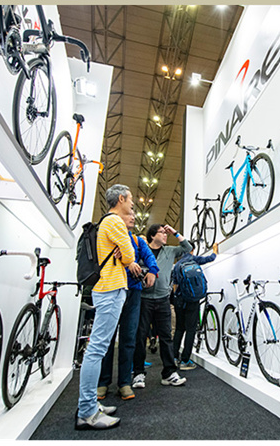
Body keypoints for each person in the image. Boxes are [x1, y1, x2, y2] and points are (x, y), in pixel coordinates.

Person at [75, 184, 135, 431]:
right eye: (130, 200)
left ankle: (90, 405)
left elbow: (125, 254)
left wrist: (123, 252)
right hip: (111, 289)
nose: (132, 204)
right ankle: (87, 412)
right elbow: (129, 257)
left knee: (96, 349)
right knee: (96, 350)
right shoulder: (115, 222)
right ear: (121, 199)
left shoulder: (105, 223)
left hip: (105, 289)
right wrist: (124, 253)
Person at [97, 211, 159, 401]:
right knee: (107, 339)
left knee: (129, 337)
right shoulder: (110, 235)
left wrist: (153, 271)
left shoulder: (138, 241)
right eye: (128, 214)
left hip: (133, 293)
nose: (133, 217)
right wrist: (127, 261)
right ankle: (102, 382)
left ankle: (124, 383)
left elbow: (150, 258)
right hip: (112, 290)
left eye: (133, 215)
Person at [131, 224, 192, 388]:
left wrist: (175, 232)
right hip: (143, 298)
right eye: (162, 233)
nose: (165, 235)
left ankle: (169, 373)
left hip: (163, 299)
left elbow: (188, 248)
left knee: (166, 337)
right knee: (140, 337)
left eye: (166, 233)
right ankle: (138, 374)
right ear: (152, 236)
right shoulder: (142, 251)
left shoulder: (170, 251)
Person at [171, 243, 218, 370]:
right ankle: (185, 360)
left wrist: (177, 298)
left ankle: (174, 358)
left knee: (179, 329)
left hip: (180, 300)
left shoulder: (177, 265)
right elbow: (210, 258)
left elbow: (175, 285)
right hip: (192, 300)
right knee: (191, 329)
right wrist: (214, 250)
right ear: (192, 250)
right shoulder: (194, 259)